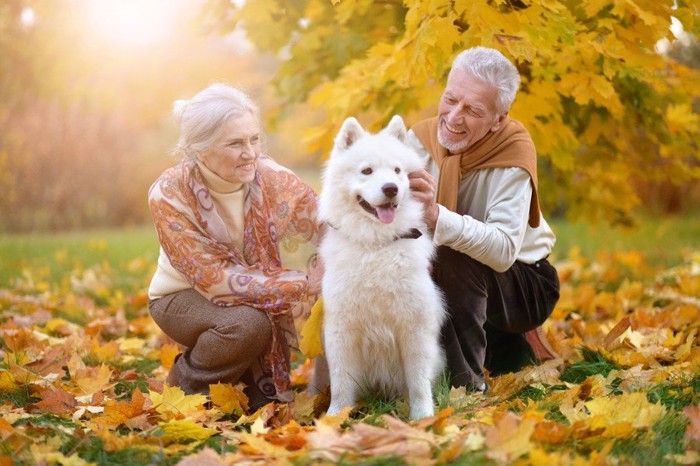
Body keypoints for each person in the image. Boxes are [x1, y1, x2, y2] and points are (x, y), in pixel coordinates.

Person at [147, 83, 321, 409]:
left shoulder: (268, 176)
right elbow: (215, 281)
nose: (251, 152)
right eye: (236, 143)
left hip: (257, 295)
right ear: (200, 149)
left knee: (263, 404)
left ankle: (233, 381)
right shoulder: (169, 193)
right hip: (181, 297)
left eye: (254, 139)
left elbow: (324, 218)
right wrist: (304, 284)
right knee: (247, 325)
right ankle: (186, 389)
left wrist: (330, 260)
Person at [407, 47, 560, 391]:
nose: (454, 116)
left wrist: (437, 217)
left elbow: (504, 250)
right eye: (450, 99)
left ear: (498, 120)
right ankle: (504, 352)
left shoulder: (513, 153)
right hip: (466, 283)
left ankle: (465, 386)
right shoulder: (418, 140)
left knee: (448, 252)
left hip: (525, 282)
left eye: (473, 110)